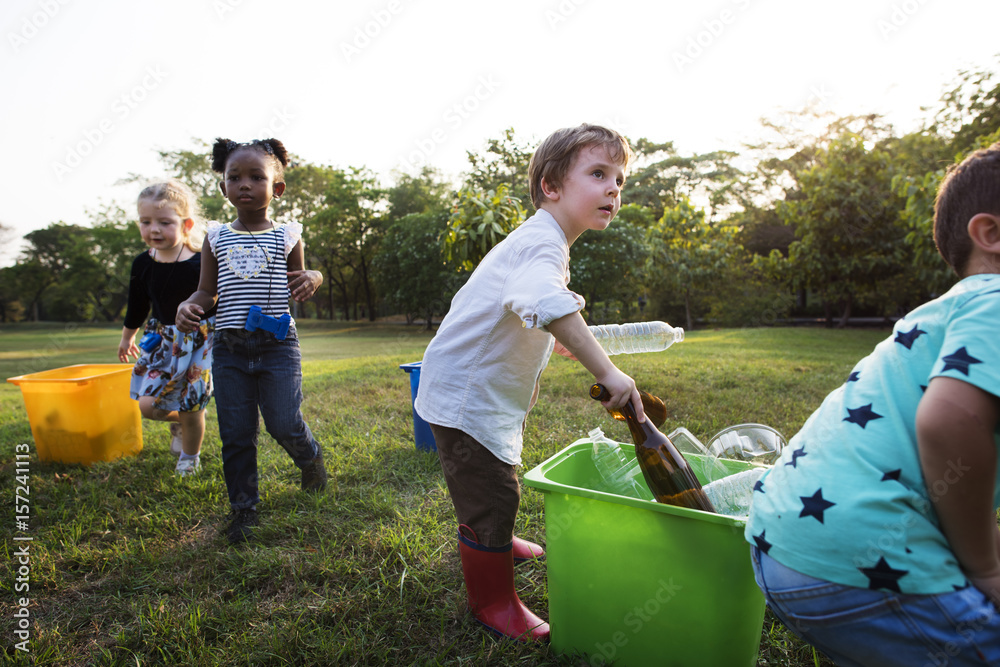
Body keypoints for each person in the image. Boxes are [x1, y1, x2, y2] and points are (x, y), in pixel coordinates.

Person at [745, 143, 1000, 666]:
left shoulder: (944, 311)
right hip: (858, 564)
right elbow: (950, 420)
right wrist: (985, 565)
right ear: (991, 235)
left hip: (783, 543)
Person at [414, 123, 647, 642]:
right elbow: (543, 297)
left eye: (620, 179)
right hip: (467, 398)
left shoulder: (541, 242)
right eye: (598, 173)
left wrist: (553, 336)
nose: (614, 188)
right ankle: (493, 601)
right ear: (551, 186)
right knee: (491, 491)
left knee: (492, 479)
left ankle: (498, 537)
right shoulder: (542, 245)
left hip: (471, 392)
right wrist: (607, 372)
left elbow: (527, 307)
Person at [176, 138, 326, 545]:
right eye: (234, 177)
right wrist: (189, 306)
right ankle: (244, 509)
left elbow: (305, 276)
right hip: (229, 348)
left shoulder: (288, 234)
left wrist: (313, 277)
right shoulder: (216, 237)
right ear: (224, 189)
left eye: (256, 177)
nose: (245, 184)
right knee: (237, 432)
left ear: (276, 188)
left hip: (278, 346)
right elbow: (206, 293)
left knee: (284, 421)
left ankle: (311, 458)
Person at [119, 180, 215, 477]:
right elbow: (137, 304)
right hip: (162, 342)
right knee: (148, 406)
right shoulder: (142, 264)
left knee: (190, 405)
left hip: (198, 343)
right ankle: (186, 422)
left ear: (186, 224)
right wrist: (127, 337)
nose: (154, 230)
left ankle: (189, 456)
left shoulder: (201, 261)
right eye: (146, 222)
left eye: (164, 222)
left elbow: (214, 299)